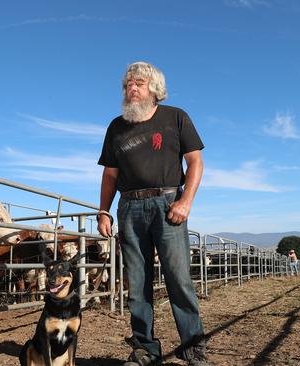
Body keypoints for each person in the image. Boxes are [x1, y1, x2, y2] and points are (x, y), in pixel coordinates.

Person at [97, 62, 210, 366]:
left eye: (138, 83)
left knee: (179, 279)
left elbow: (195, 162)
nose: (131, 88)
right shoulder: (116, 126)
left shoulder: (176, 117)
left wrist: (186, 201)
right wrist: (104, 212)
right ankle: (145, 349)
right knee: (137, 282)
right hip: (129, 207)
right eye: (127, 84)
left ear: (155, 89)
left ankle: (193, 347)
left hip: (168, 205)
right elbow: (110, 175)